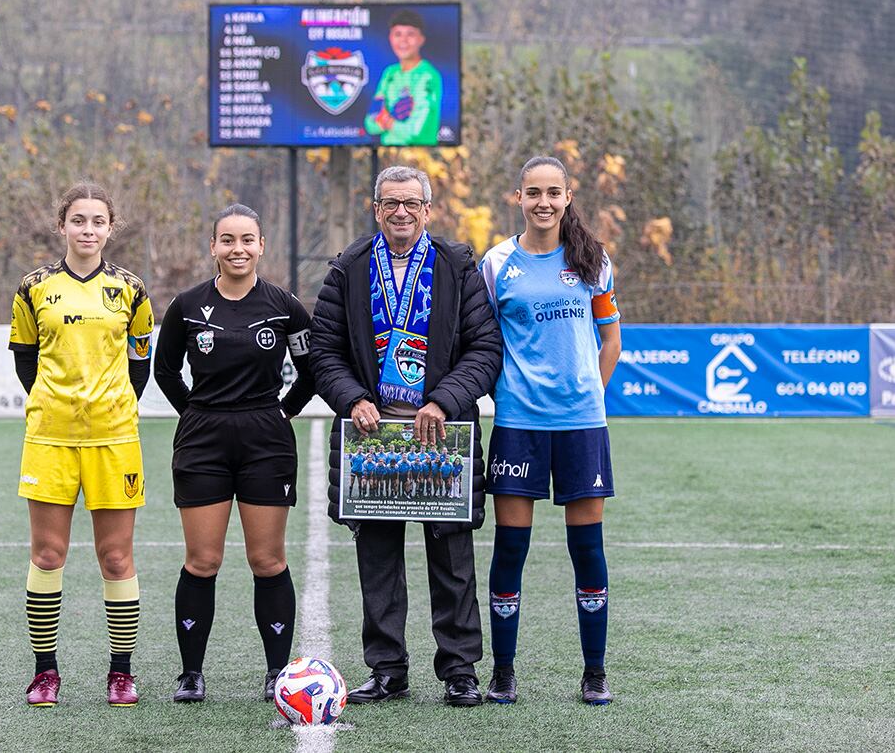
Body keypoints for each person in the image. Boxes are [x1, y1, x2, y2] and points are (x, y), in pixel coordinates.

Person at [311, 165, 502, 706]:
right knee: (378, 560)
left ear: (428, 209)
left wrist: (444, 400)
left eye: (411, 203)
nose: (401, 212)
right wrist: (354, 399)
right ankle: (387, 668)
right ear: (376, 209)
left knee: (452, 558)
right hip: (371, 434)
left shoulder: (456, 266)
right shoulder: (349, 267)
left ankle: (460, 670)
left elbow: (485, 348)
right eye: (390, 203)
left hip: (441, 433)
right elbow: (324, 351)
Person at [154, 204, 315, 703]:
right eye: (227, 240)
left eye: (247, 240)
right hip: (203, 440)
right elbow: (165, 371)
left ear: (261, 246)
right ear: (213, 247)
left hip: (266, 439)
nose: (237, 249)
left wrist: (284, 411)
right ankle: (191, 675)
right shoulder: (186, 305)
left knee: (267, 559)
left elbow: (311, 370)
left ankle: (276, 674)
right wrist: (195, 412)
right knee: (202, 560)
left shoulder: (285, 306)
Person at [477, 156, 622, 706]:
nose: (544, 202)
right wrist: (503, 394)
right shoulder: (496, 264)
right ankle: (503, 673)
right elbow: (483, 343)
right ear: (518, 197)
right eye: (533, 192)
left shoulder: (594, 260)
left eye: (553, 192)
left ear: (567, 197)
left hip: (582, 426)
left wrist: (590, 394)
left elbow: (611, 340)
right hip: (519, 424)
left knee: (587, 550)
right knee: (510, 549)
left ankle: (595, 673)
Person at [8, 182, 154, 708]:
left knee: (115, 558)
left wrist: (111, 407)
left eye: (97, 221)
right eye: (78, 220)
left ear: (110, 228)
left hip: (114, 439)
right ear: (61, 226)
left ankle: (121, 672)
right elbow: (26, 360)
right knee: (48, 555)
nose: (87, 230)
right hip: (50, 438)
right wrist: (56, 405)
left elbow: (140, 363)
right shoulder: (34, 287)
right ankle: (45, 672)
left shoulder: (131, 289)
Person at [364, 9, 443, 146]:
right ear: (390, 38)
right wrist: (391, 122)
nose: (403, 41)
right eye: (398, 34)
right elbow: (370, 123)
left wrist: (387, 121)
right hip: (387, 153)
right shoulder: (390, 73)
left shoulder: (428, 76)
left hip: (420, 153)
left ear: (421, 39)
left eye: (410, 34)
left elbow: (416, 131)